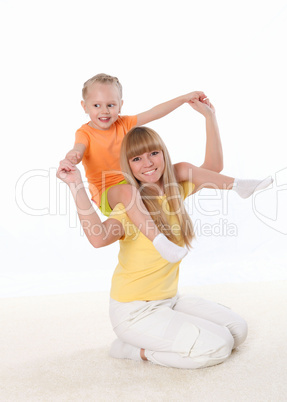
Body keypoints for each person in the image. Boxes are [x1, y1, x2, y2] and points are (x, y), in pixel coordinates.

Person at [57, 101, 272, 369]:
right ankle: (133, 350)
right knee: (217, 347)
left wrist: (210, 116)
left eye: (153, 153)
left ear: (163, 154)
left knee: (237, 331)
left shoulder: (175, 190)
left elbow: (213, 168)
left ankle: (167, 332)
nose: (147, 163)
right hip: (133, 312)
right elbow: (98, 237)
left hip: (169, 300)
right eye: (136, 158)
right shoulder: (132, 207)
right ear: (128, 166)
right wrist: (75, 185)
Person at [60, 73, 270, 263]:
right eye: (96, 105)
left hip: (136, 183)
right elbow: (79, 148)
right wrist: (72, 157)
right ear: (84, 106)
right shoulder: (85, 133)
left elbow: (155, 112)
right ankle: (159, 241)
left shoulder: (123, 124)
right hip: (109, 193)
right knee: (128, 191)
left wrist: (185, 100)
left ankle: (238, 185)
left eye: (110, 105)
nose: (104, 111)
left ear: (120, 105)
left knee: (183, 168)